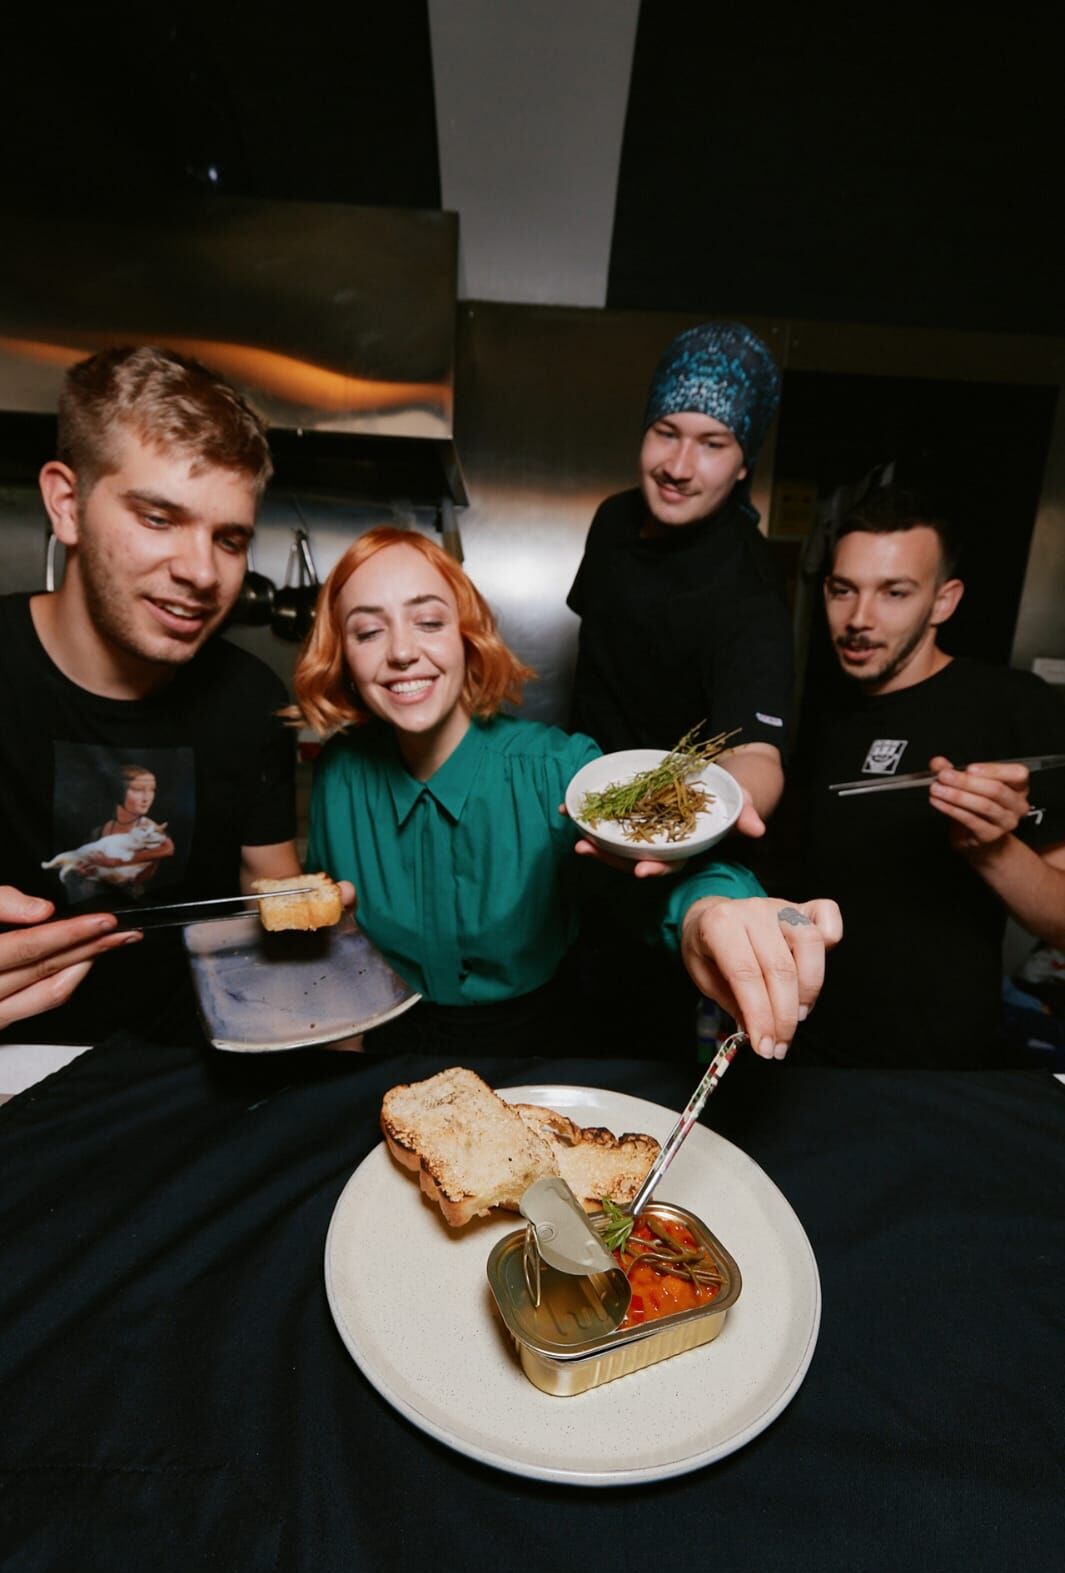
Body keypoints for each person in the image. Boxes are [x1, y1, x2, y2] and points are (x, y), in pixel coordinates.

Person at [294, 528, 841, 1060]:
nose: (402, 652)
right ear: (343, 654)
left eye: (429, 621)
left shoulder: (556, 767)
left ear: (466, 634)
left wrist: (715, 912)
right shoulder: (340, 772)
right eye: (368, 632)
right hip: (391, 1047)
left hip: (535, 1050)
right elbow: (335, 932)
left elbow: (669, 872)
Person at [0, 346, 304, 1043]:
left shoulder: (249, 697)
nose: (202, 572)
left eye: (229, 538)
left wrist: (317, 919)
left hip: (183, 1075)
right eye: (159, 518)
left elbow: (271, 890)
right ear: (67, 503)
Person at [777, 485, 1065, 1070]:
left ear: (943, 601)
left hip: (939, 1065)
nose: (859, 619)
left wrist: (993, 848)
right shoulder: (820, 714)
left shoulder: (1012, 706)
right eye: (843, 591)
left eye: (894, 593)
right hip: (804, 1050)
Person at [567, 319, 791, 838]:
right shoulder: (612, 520)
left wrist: (715, 816)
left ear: (743, 465)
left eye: (712, 444)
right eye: (666, 433)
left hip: (668, 833)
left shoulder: (750, 584)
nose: (679, 466)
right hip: (579, 802)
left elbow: (756, 753)